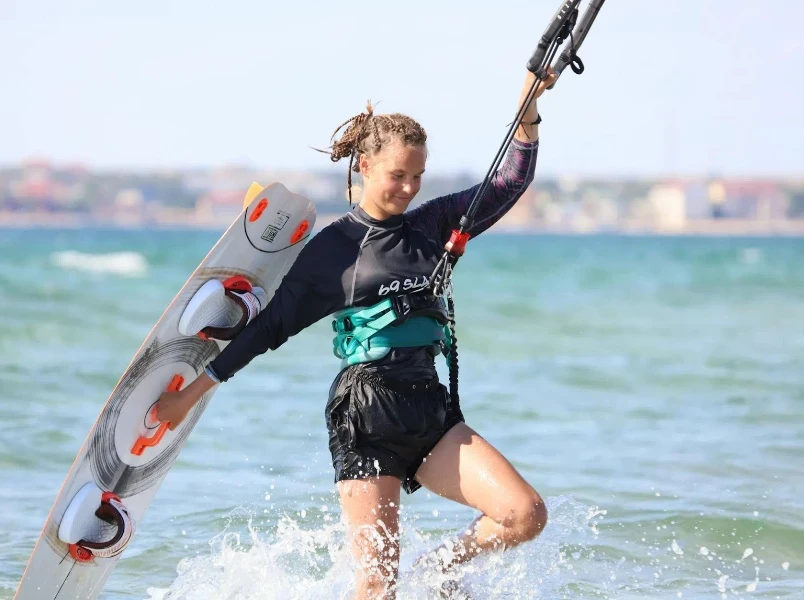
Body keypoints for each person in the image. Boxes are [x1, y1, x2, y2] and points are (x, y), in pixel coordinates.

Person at [157, 68, 557, 599]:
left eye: (418, 176)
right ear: (365, 166)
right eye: (398, 175)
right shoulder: (334, 250)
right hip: (365, 414)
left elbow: (509, 182)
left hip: (430, 408)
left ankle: (438, 574)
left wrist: (527, 111)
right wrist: (190, 393)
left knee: (523, 514)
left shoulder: (433, 224)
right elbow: (269, 328)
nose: (410, 188)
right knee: (375, 586)